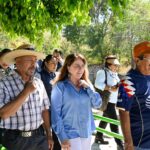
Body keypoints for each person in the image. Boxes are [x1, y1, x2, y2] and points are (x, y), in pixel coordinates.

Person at [0, 44, 53, 150]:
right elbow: (3, 114)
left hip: (39, 137)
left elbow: (45, 109)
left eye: (35, 60)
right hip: (15, 140)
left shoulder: (39, 82)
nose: (34, 64)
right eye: (29, 60)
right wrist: (26, 92)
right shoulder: (3, 82)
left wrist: (48, 133)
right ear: (17, 61)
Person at [51, 53, 102, 150]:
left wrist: (88, 88)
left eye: (82, 66)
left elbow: (98, 104)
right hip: (69, 135)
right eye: (76, 66)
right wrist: (62, 137)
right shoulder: (59, 87)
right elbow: (55, 115)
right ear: (68, 67)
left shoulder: (87, 85)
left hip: (86, 132)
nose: (80, 69)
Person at [117, 41, 150, 150]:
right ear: (137, 60)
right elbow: (123, 112)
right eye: (149, 59)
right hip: (139, 143)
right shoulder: (128, 81)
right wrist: (128, 143)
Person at [94, 55, 123, 150]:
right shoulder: (102, 72)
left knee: (105, 119)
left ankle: (98, 136)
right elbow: (97, 84)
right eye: (115, 65)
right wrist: (111, 88)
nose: (116, 67)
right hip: (107, 102)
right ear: (109, 65)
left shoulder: (114, 74)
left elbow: (116, 87)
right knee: (114, 122)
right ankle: (120, 144)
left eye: (117, 65)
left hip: (113, 102)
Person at [40, 54, 61, 150]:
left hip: (56, 110)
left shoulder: (56, 75)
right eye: (52, 63)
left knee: (57, 137)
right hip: (45, 111)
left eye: (56, 63)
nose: (55, 65)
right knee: (46, 136)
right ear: (46, 63)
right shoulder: (39, 75)